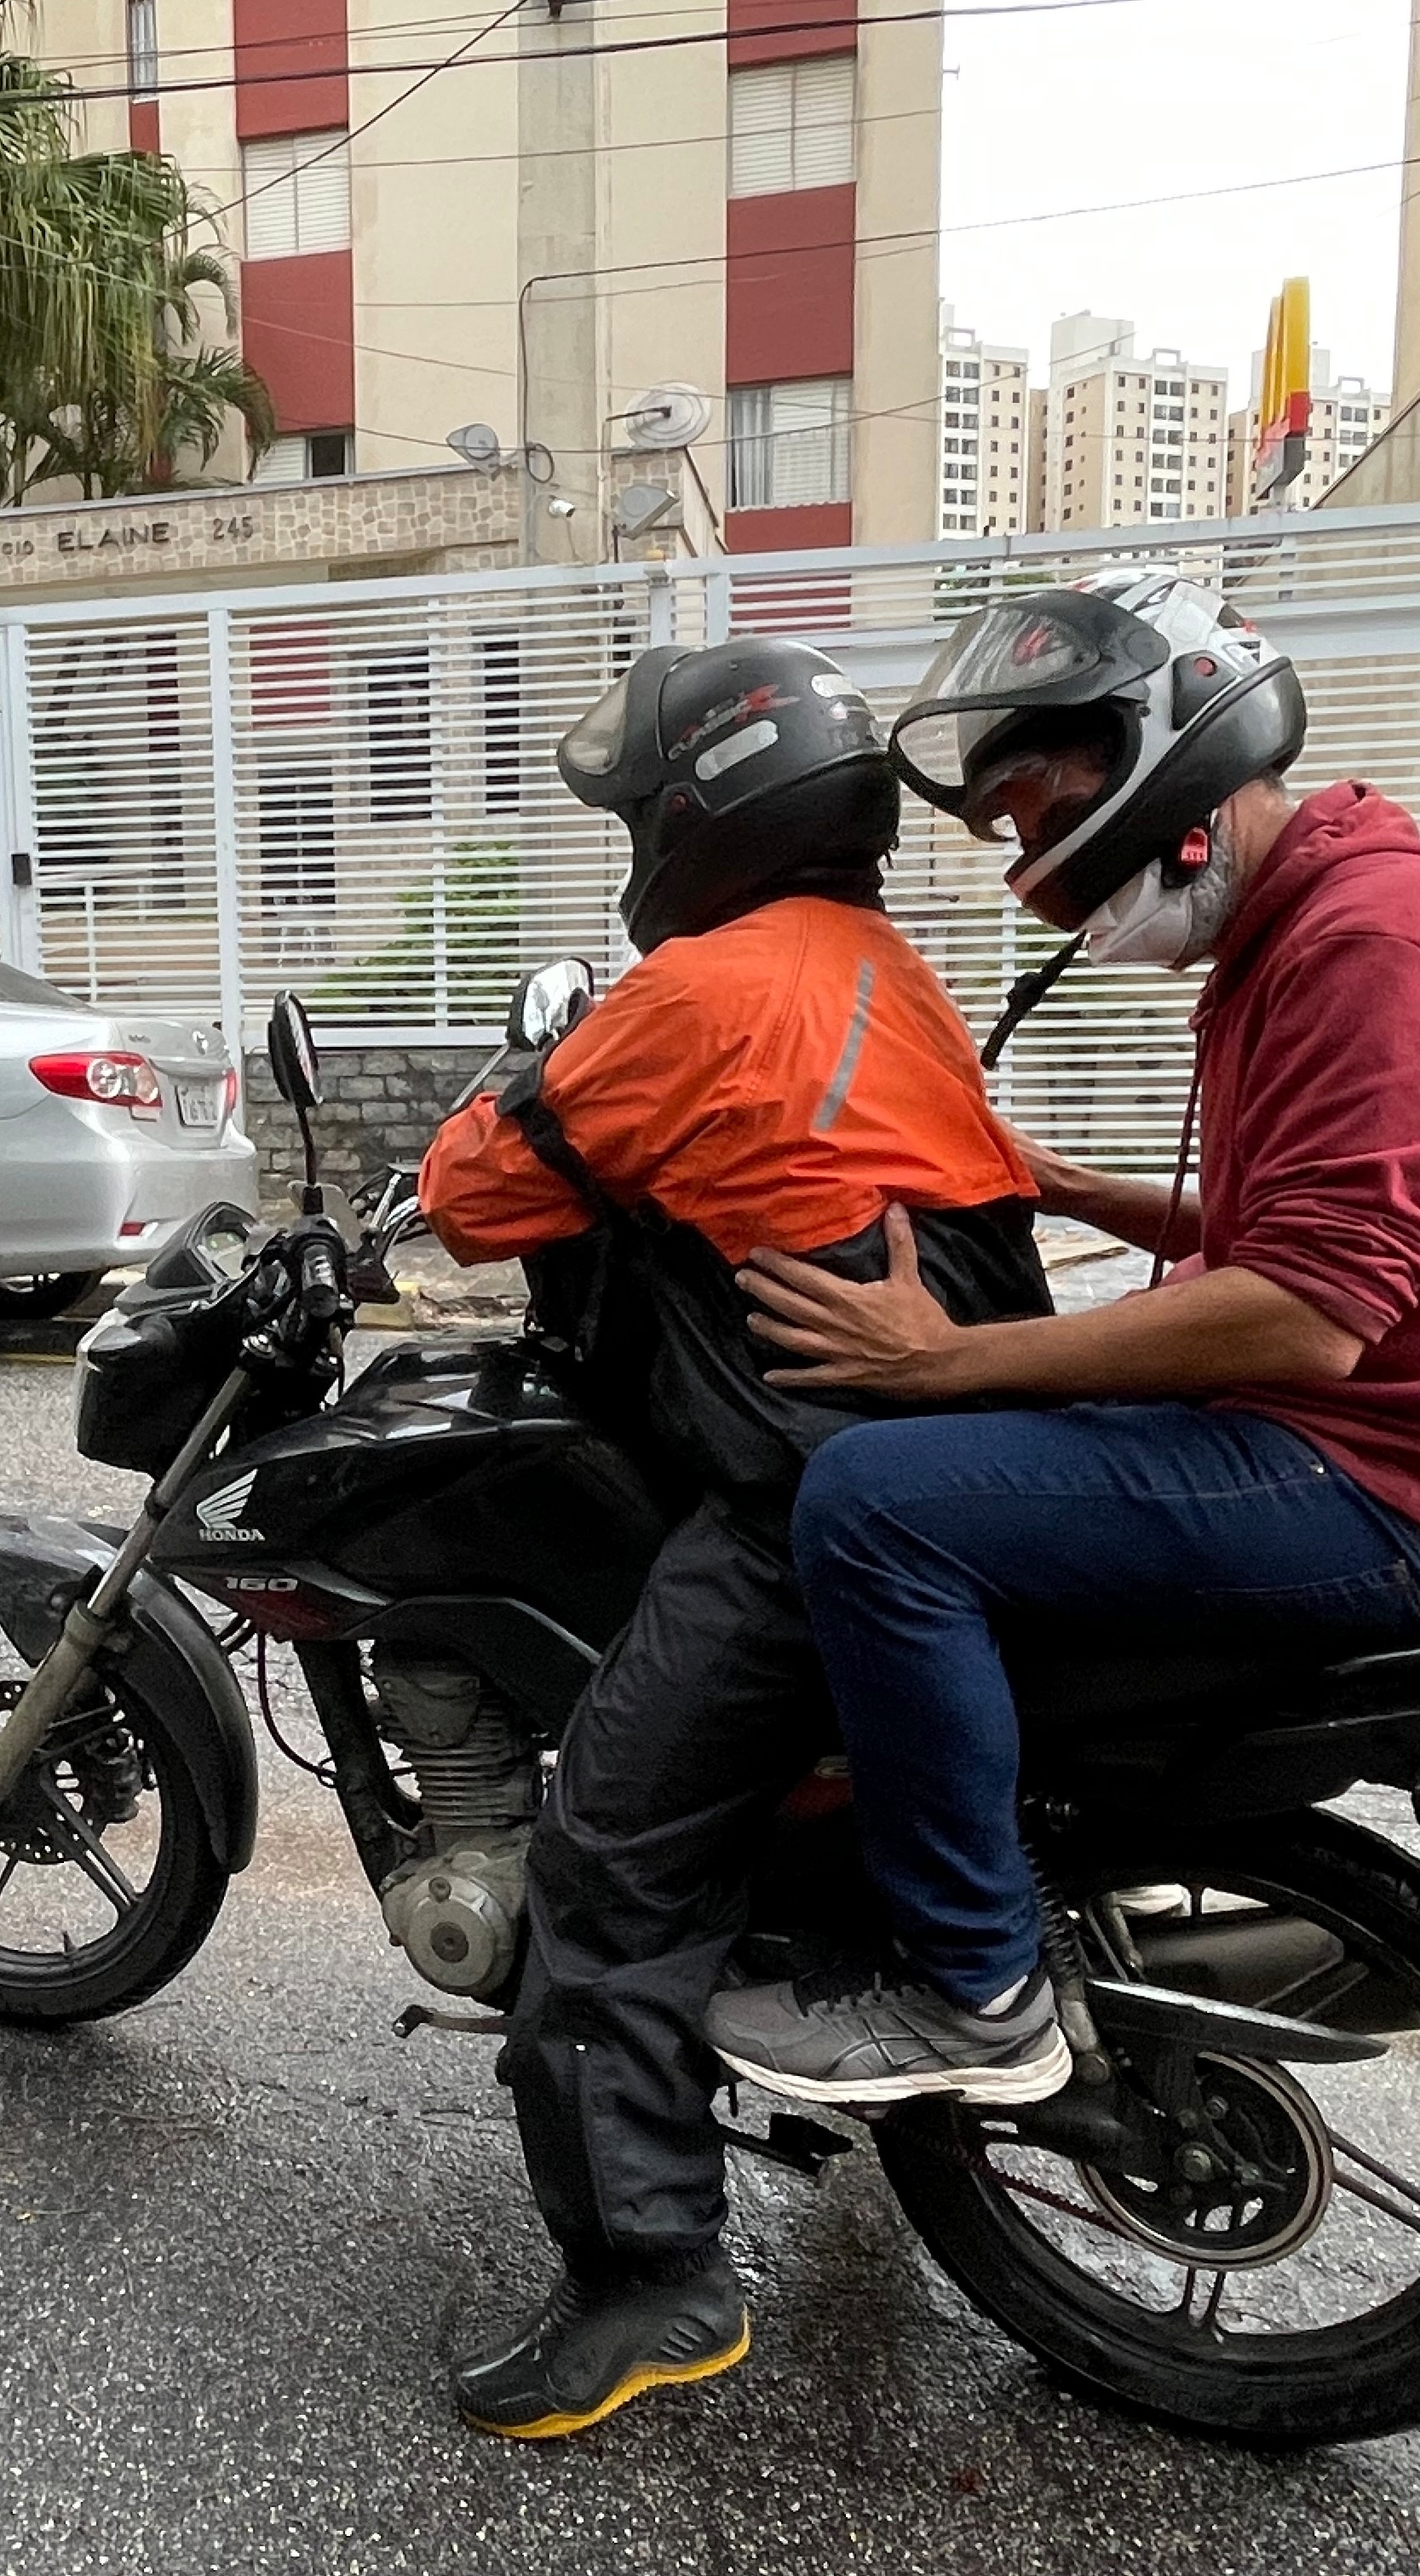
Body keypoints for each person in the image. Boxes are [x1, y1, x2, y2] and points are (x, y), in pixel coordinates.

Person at [705, 569, 1420, 2107]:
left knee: (875, 1504)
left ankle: (973, 1990)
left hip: (1418, 1488)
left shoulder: (1369, 946)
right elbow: (1314, 1236)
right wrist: (1076, 1187)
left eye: (1021, 819)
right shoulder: (1318, 924)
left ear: (1146, 763)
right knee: (968, 1465)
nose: (1026, 871)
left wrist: (936, 1364)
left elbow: (1315, 1311)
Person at [417, 634, 1054, 2436]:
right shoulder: (876, 961)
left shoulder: (698, 992)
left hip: (816, 1481)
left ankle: (652, 2281)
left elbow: (476, 1197)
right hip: (976, 1434)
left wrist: (509, 1087)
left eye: (640, 805)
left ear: (699, 811)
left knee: (604, 1855)